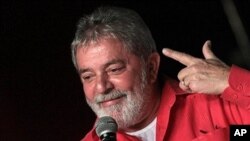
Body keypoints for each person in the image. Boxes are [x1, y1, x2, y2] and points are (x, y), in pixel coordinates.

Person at [70, 6, 250, 141]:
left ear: (151, 67)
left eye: (114, 69)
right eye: (88, 77)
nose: (101, 87)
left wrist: (229, 79)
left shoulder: (211, 105)